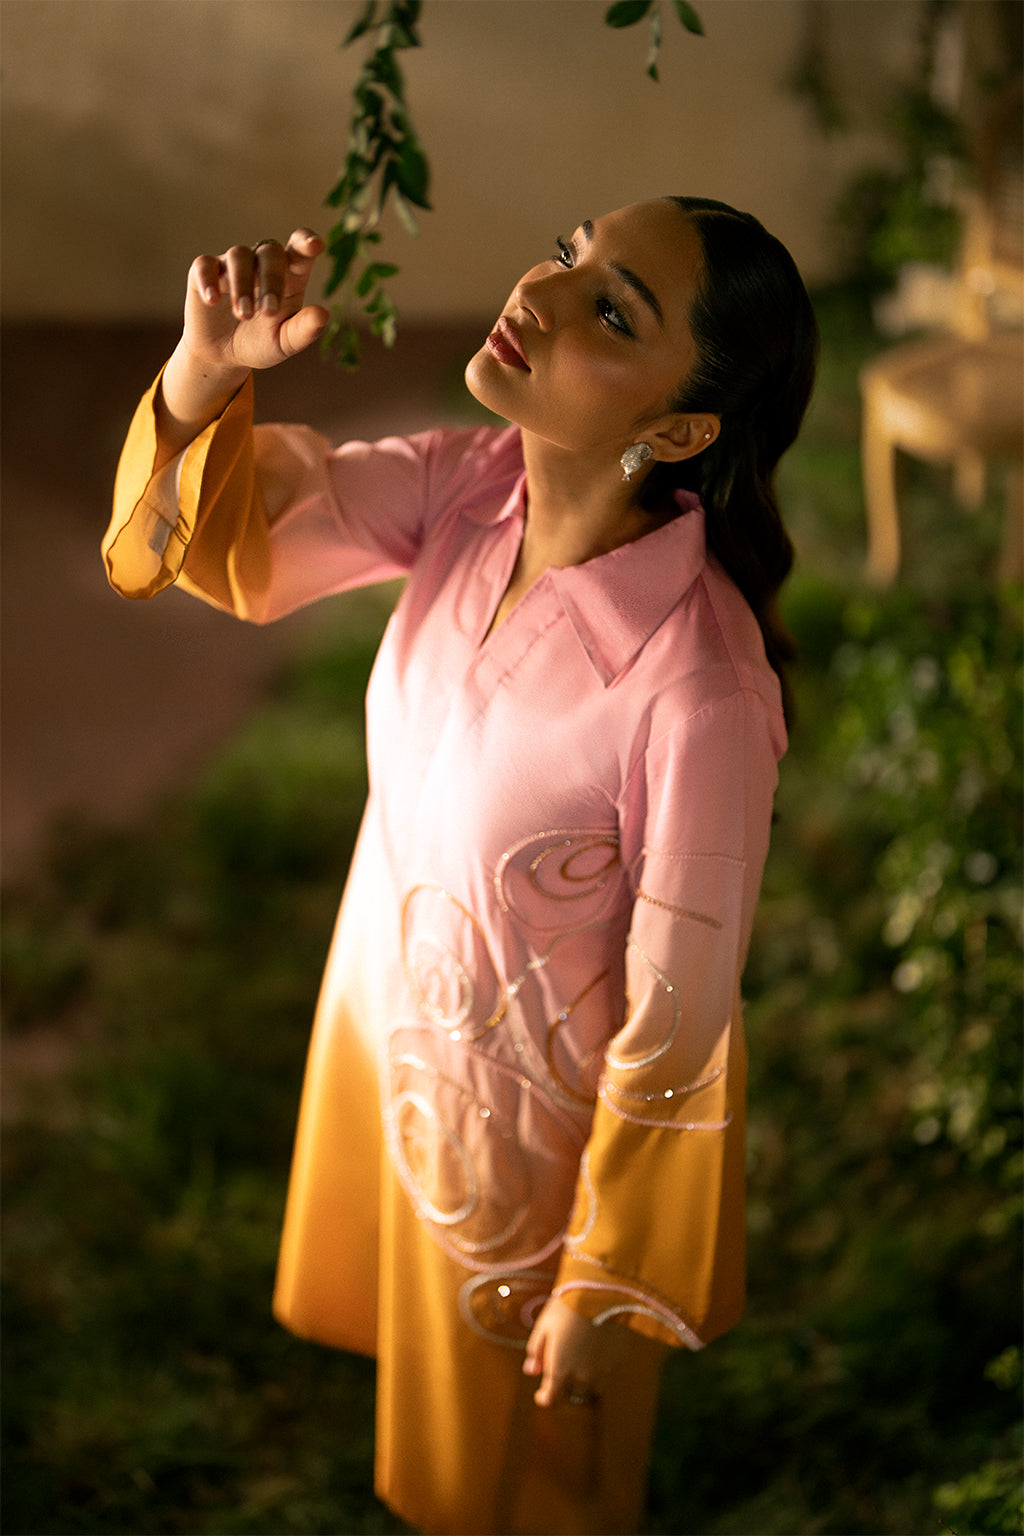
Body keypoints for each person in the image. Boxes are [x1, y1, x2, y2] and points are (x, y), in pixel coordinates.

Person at [103, 197, 818, 1535]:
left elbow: (683, 1020)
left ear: (681, 431)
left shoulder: (698, 691)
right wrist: (206, 371)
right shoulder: (469, 490)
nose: (539, 295)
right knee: (440, 1448)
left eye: (613, 312)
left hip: (539, 1170)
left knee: (525, 1487)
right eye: (568, 253)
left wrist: (607, 1275)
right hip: (399, 1050)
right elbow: (218, 556)